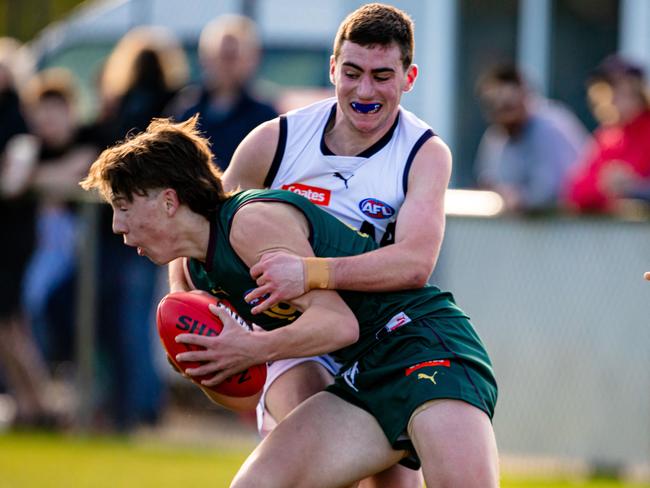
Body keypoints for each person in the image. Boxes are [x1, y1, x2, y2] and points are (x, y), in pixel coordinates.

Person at [80, 115, 499, 488]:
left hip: (424, 344)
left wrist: (250, 348)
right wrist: (211, 368)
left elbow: (339, 324)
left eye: (123, 207)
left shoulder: (248, 223)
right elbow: (246, 393)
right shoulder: (197, 271)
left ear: (168, 201)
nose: (118, 225)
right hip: (367, 374)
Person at [169, 4, 450, 486]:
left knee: (392, 481)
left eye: (382, 75)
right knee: (314, 447)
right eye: (353, 72)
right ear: (332, 68)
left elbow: (415, 264)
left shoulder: (424, 152)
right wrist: (192, 307)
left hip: (383, 338)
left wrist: (310, 272)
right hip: (295, 339)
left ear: (409, 77)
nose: (364, 91)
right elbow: (206, 237)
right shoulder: (275, 140)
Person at [474, 63, 589, 213]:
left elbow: (552, 189)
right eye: (492, 105)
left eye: (508, 105)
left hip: (567, 228)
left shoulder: (551, 127)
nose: (501, 111)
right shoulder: (495, 136)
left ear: (525, 96)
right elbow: (487, 182)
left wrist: (519, 198)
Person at [172, 14, 277, 171]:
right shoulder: (188, 106)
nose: (224, 64)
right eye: (219, 55)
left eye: (232, 56)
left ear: (252, 59)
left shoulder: (264, 115)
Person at [565, 55, 650, 213]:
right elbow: (576, 192)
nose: (611, 97)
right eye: (606, 88)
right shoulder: (607, 137)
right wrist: (604, 187)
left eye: (616, 87)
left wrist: (635, 188)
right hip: (617, 235)